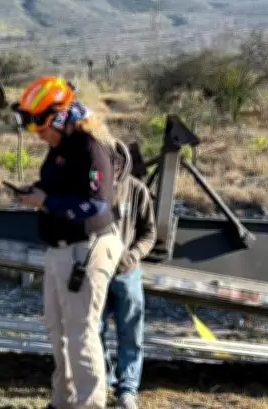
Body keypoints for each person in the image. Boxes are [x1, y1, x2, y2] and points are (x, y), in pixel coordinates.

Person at [9, 76, 124, 409]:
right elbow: (60, 188)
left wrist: (45, 203)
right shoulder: (59, 147)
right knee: (57, 331)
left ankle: (89, 404)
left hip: (86, 248)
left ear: (60, 116)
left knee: (81, 334)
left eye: (41, 127)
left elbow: (97, 205)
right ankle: (64, 401)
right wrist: (36, 194)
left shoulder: (91, 148)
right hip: (61, 248)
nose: (38, 135)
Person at [99, 141, 157, 409]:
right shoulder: (90, 189)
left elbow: (149, 233)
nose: (114, 166)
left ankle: (127, 390)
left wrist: (133, 255)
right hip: (96, 274)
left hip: (127, 274)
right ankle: (103, 381)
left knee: (130, 333)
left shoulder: (137, 190)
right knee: (93, 331)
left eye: (117, 161)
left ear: (124, 164)